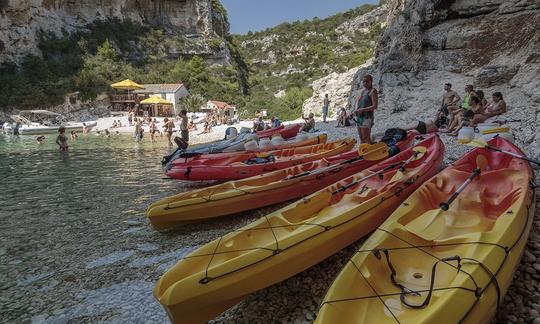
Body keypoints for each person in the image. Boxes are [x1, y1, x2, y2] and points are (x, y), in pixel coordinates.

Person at [354, 75, 378, 144]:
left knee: (366, 138)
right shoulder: (362, 91)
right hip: (359, 116)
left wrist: (362, 110)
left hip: (367, 117)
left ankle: (370, 151)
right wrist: (356, 110)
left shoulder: (373, 91)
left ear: (371, 82)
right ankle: (362, 151)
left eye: (367, 82)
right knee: (361, 138)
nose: (365, 83)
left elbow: (375, 106)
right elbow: (358, 103)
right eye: (364, 82)